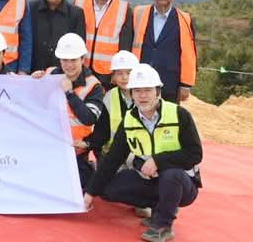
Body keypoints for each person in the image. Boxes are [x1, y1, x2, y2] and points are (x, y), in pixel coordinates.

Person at [84, 64, 202, 242]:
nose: (143, 96)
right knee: (108, 189)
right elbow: (112, 159)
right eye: (137, 91)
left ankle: (163, 225)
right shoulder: (129, 120)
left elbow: (194, 154)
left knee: (171, 175)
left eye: (148, 90)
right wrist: (90, 193)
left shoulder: (179, 115)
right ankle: (159, 207)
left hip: (183, 184)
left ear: (158, 92)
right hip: (150, 179)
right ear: (131, 94)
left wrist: (158, 161)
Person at [33, 32, 104, 187]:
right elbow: (34, 103)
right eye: (65, 60)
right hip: (48, 148)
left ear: (82, 59)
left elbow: (89, 118)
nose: (69, 64)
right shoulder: (50, 74)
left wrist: (70, 94)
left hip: (76, 153)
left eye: (73, 60)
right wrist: (33, 82)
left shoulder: (94, 86)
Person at [131, 0, 197, 103]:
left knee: (168, 116)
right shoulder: (139, 13)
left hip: (170, 84)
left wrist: (186, 84)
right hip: (141, 82)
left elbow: (189, 53)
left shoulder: (184, 19)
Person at [75, 0, 134, 88]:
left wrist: (118, 72)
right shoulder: (79, 3)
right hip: (82, 69)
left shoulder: (124, 9)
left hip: (108, 73)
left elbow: (125, 45)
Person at [30, 0, 87, 72]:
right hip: (35, 72)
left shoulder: (75, 14)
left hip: (64, 72)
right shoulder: (31, 9)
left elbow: (79, 48)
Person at [89, 50, 140, 160]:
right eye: (119, 73)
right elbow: (102, 131)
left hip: (141, 156)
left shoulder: (147, 95)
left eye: (128, 73)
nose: (124, 77)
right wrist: (89, 144)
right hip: (114, 155)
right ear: (113, 76)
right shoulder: (109, 97)